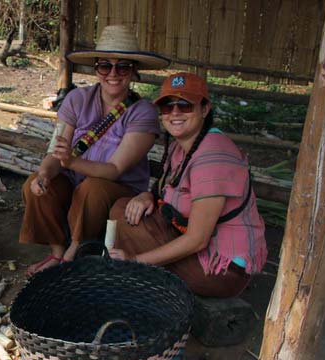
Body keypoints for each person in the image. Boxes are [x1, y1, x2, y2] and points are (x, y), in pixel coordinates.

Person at [20, 25, 170, 275]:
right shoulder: (76, 99)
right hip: (74, 182)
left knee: (93, 188)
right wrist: (45, 174)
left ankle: (74, 252)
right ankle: (57, 251)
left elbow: (114, 169)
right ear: (96, 69)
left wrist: (70, 161)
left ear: (133, 71)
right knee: (34, 185)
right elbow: (56, 151)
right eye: (105, 66)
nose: (113, 73)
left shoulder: (142, 112)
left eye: (122, 66)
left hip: (115, 188)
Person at [108, 73, 267, 297]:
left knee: (130, 232)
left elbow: (197, 240)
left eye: (185, 105)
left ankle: (142, 282)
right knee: (123, 209)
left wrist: (135, 260)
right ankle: (144, 278)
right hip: (197, 246)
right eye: (167, 106)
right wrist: (146, 195)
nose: (175, 113)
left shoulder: (213, 154)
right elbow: (164, 190)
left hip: (220, 270)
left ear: (205, 109)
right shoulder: (180, 147)